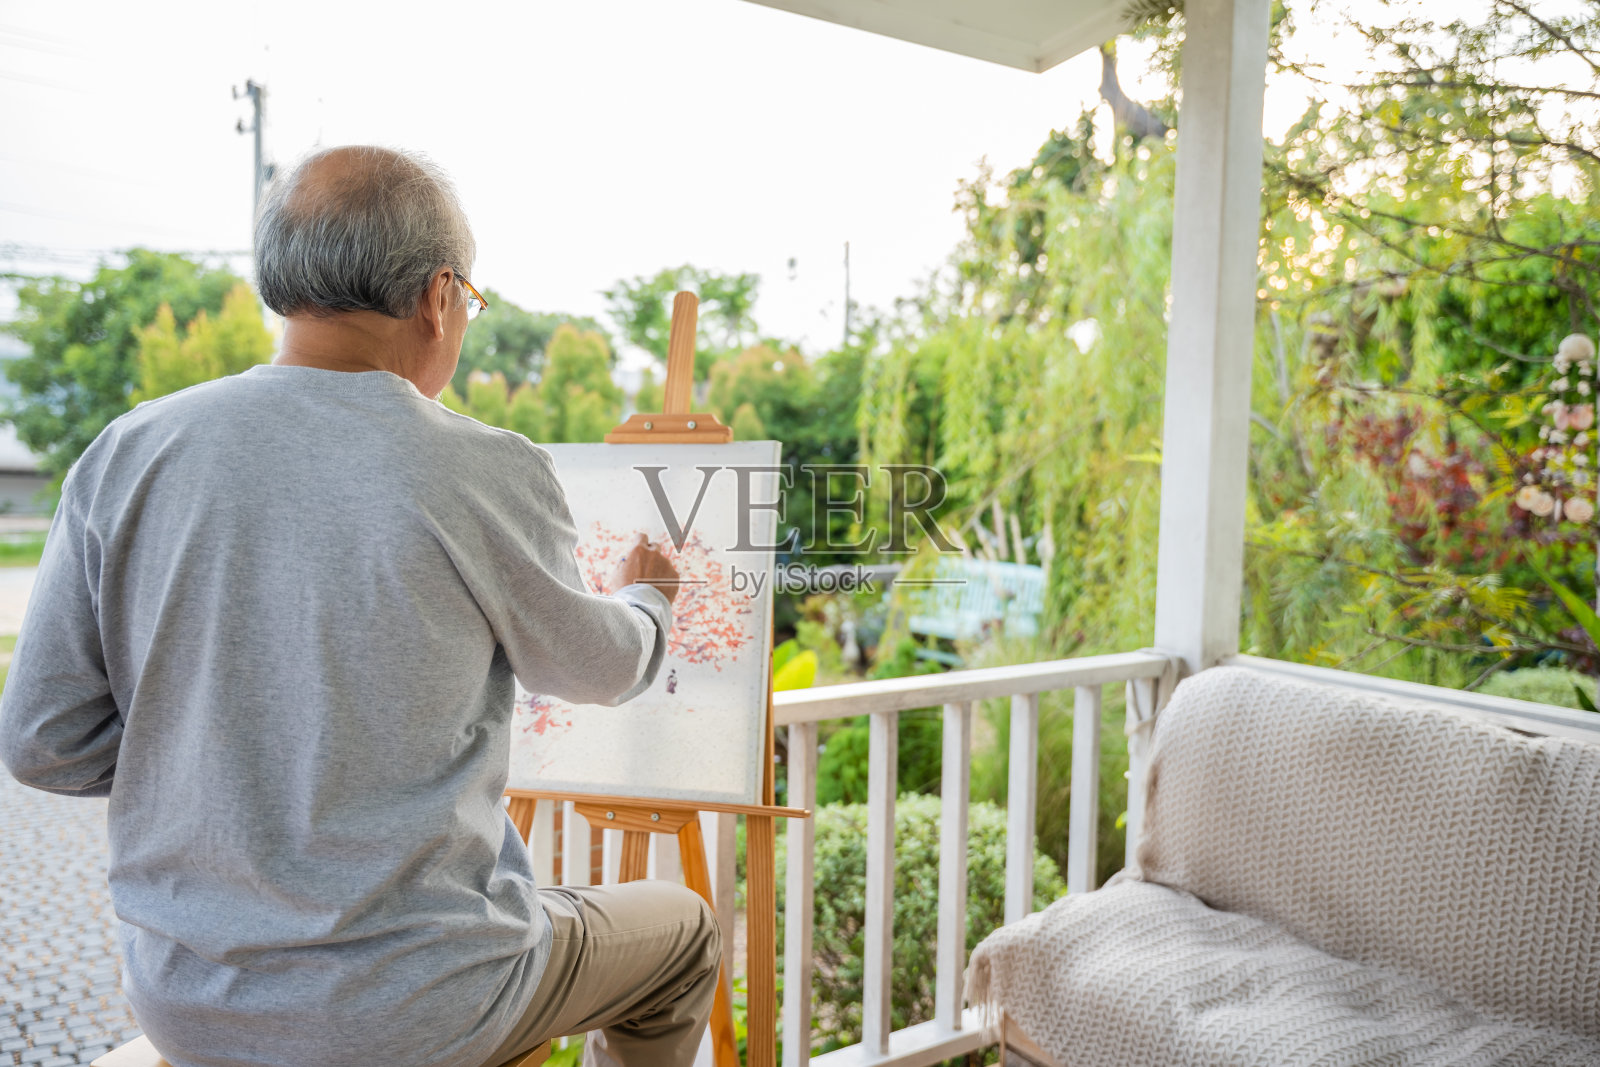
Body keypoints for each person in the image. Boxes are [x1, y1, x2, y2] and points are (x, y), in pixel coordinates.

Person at [0, 145, 721, 1067]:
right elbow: (602, 666)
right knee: (684, 934)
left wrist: (218, 767)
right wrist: (651, 597)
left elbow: (41, 740)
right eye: (469, 303)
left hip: (190, 1001)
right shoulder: (477, 467)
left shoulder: (128, 453)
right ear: (438, 295)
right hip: (417, 1002)